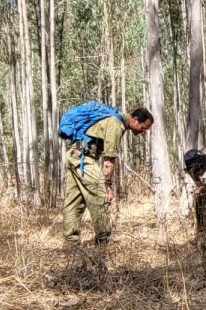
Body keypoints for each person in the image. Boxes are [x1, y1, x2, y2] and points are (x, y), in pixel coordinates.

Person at [62, 106, 153, 247]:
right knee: (100, 196)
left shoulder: (114, 120)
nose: (143, 132)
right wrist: (108, 185)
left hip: (74, 153)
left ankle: (70, 244)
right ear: (135, 120)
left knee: (74, 200)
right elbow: (108, 161)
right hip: (82, 158)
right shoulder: (116, 124)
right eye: (144, 128)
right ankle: (103, 243)